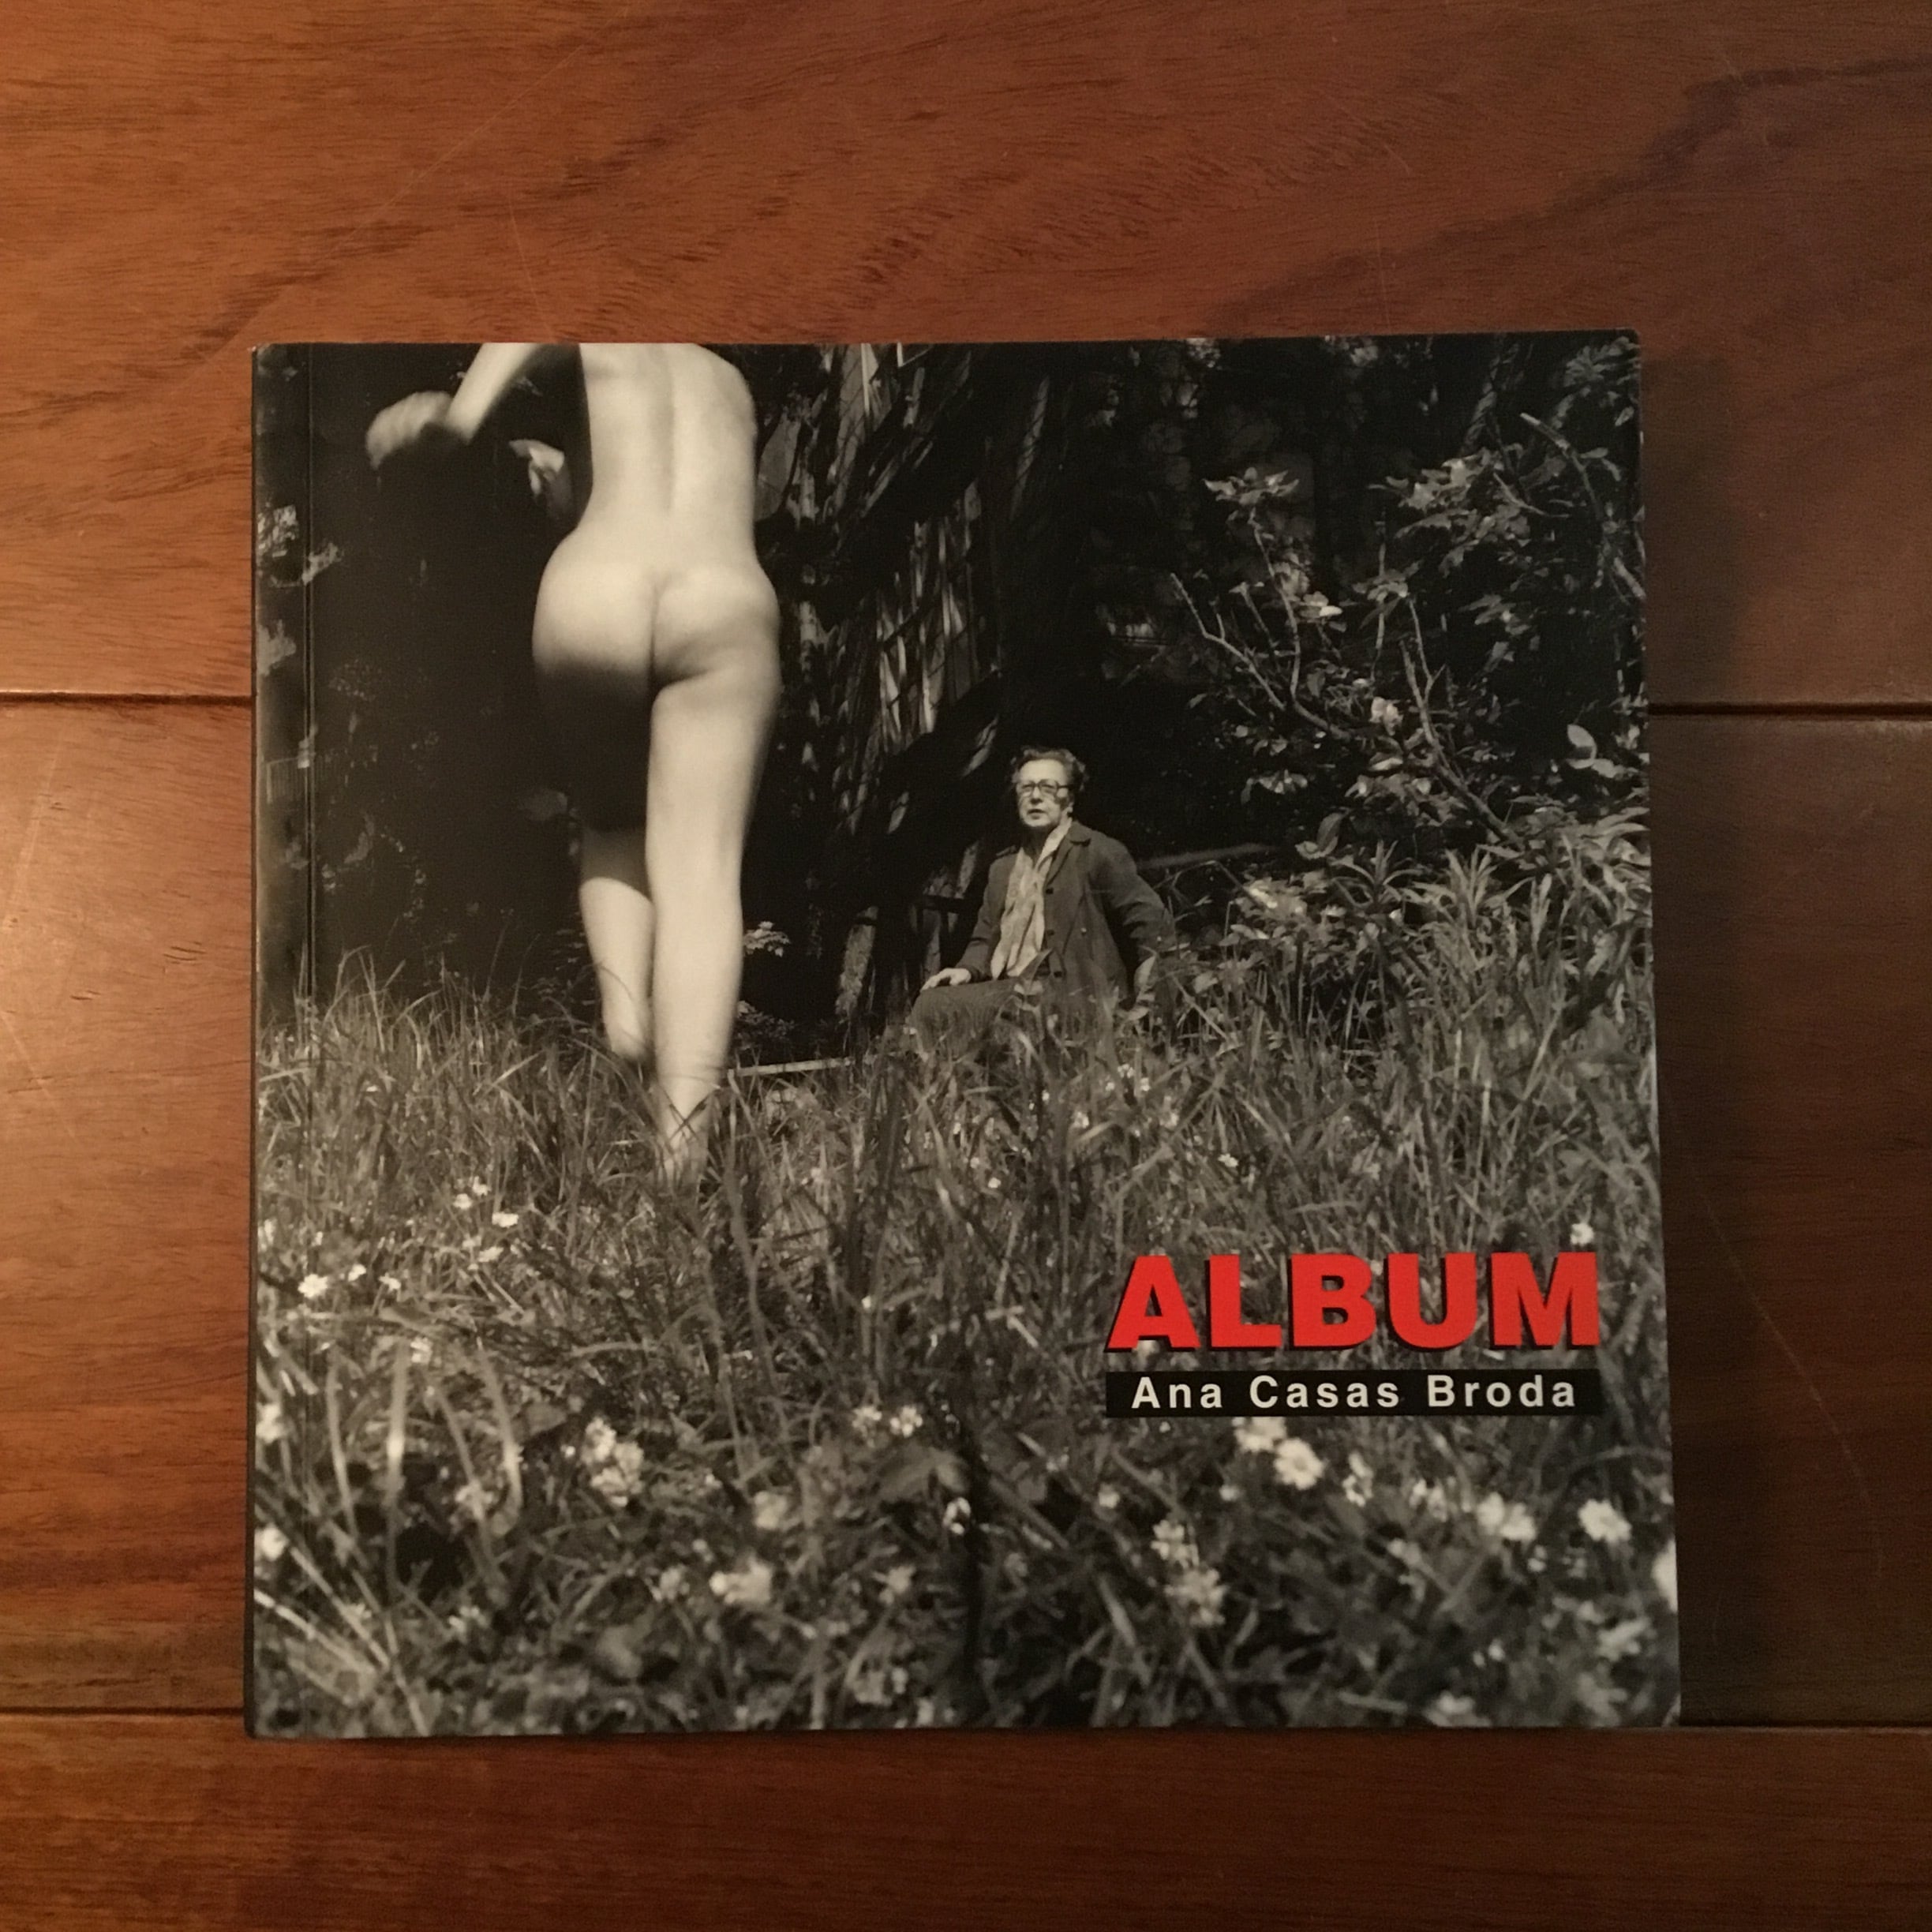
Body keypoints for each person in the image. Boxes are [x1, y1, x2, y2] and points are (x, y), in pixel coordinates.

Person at [367, 344, 780, 1178]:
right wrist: (563, 470)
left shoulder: (597, 334)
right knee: (702, 875)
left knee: (613, 819)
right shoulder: (730, 382)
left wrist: (451, 420)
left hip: (599, 587)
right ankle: (683, 1159)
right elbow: (671, 476)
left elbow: (523, 348)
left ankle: (626, 1029)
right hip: (724, 598)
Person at [912, 747, 1174, 1047]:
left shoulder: (1097, 852)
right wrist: (965, 970)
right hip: (1012, 990)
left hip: (1075, 994)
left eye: (1048, 787)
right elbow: (984, 939)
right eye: (1026, 788)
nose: (1035, 797)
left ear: (1069, 800)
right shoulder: (1002, 869)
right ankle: (955, 1077)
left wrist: (1144, 1006)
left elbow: (1152, 928)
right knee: (931, 1004)